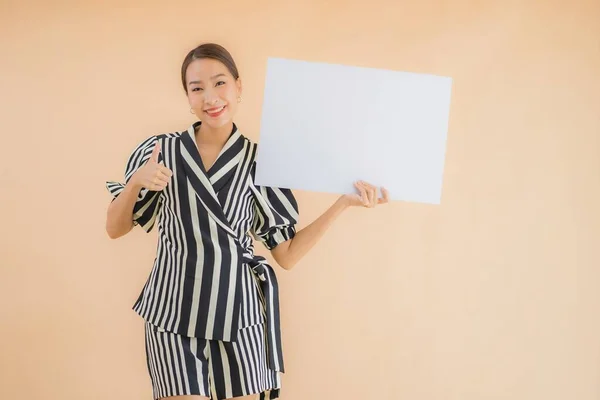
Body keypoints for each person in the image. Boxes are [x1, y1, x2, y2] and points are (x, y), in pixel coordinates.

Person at [105, 43, 389, 400]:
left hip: (239, 311)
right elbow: (115, 228)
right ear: (188, 97)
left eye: (219, 83)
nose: (211, 97)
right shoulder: (161, 151)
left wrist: (342, 204)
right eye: (197, 88)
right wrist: (134, 183)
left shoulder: (261, 163)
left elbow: (285, 255)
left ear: (239, 87)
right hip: (172, 310)